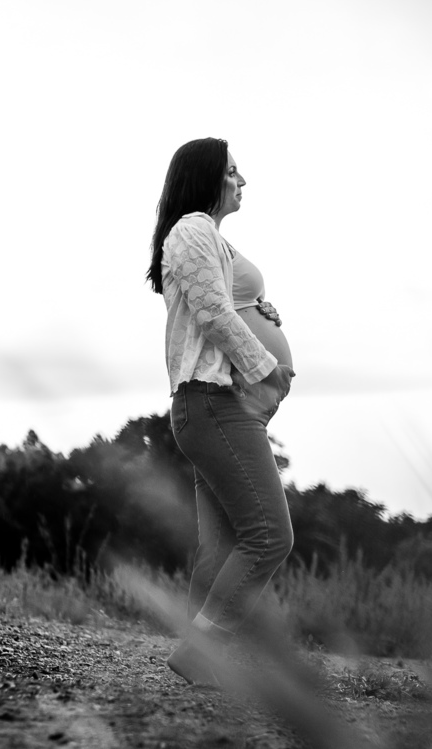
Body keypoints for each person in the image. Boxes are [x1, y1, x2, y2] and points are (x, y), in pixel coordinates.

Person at [147, 137, 296, 686]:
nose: (242, 180)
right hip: (212, 402)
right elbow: (212, 315)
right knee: (270, 535)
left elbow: (221, 302)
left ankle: (202, 662)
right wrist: (265, 367)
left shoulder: (208, 237)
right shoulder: (192, 229)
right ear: (207, 177)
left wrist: (260, 309)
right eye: (232, 172)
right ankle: (202, 651)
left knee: (221, 545)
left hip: (218, 404)